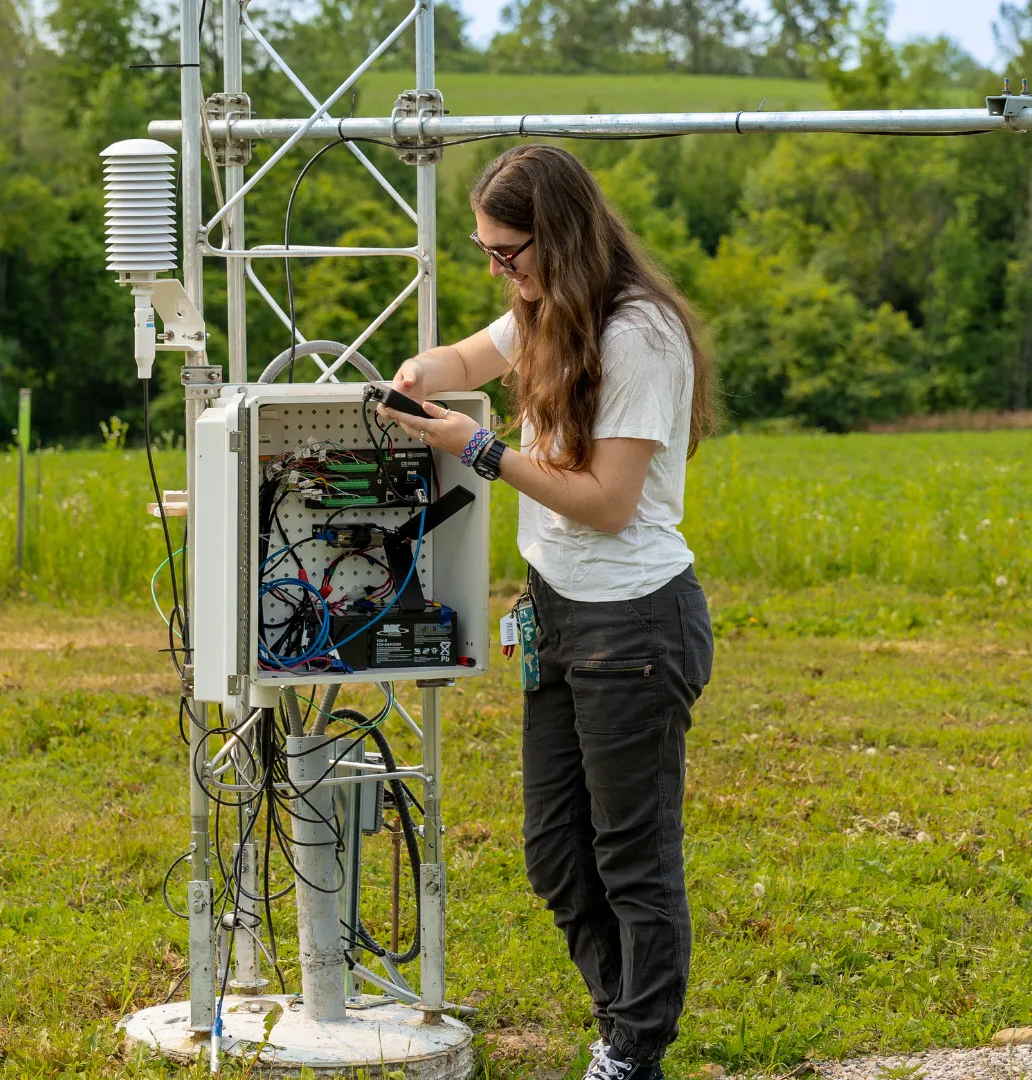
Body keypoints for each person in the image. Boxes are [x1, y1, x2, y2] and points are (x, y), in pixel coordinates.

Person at [378, 143, 715, 1080]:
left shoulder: (636, 334)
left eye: (509, 251)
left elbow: (607, 501)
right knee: (555, 854)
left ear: (557, 237)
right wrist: (421, 371)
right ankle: (620, 1024)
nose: (500, 269)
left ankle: (633, 1051)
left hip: (636, 624)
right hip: (562, 616)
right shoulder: (544, 310)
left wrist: (481, 450)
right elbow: (466, 357)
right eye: (486, 252)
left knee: (632, 859)